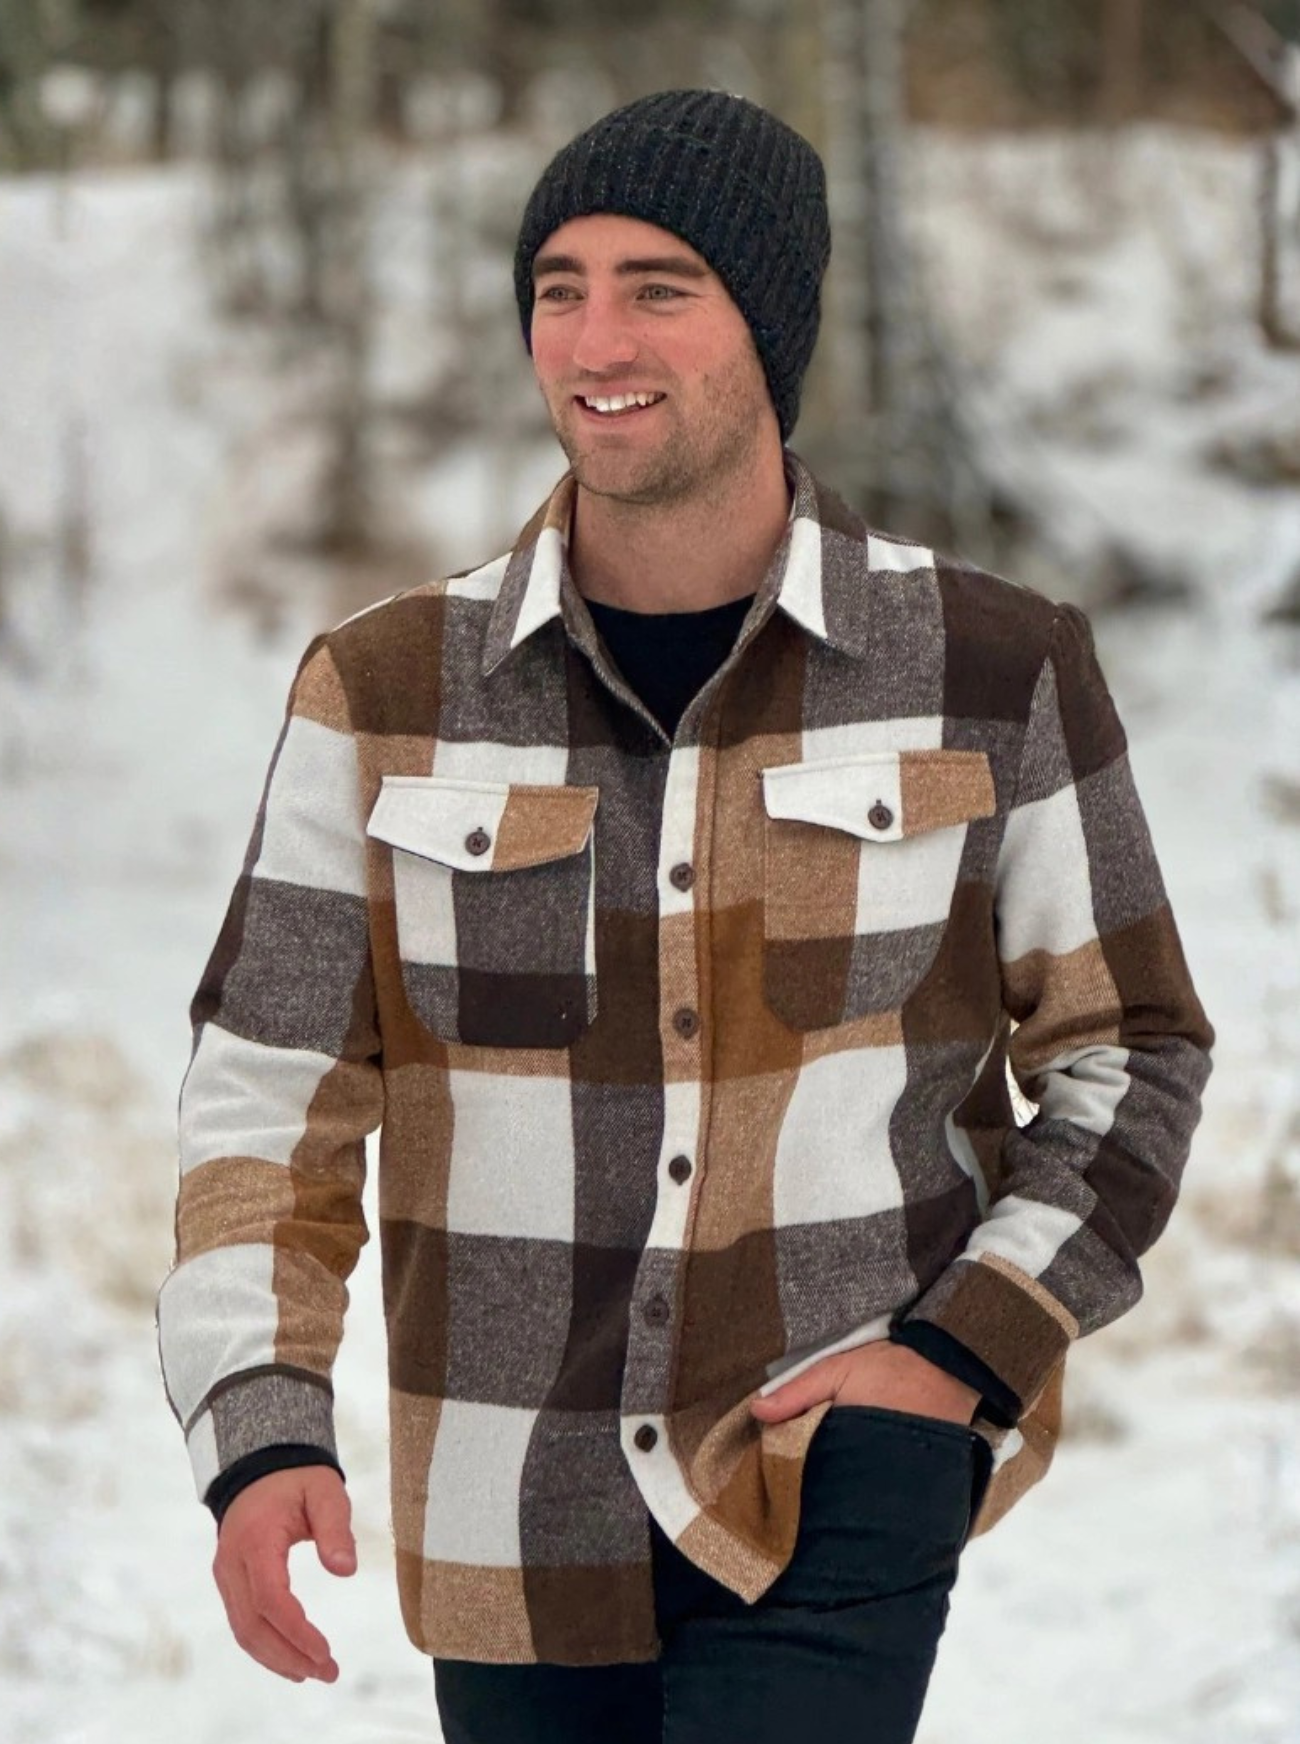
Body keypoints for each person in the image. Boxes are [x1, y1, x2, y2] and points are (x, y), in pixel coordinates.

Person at [155, 88, 1215, 1743]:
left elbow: (1130, 1054)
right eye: (557, 286)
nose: (594, 335)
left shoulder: (992, 669)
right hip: (508, 1503)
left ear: (769, 331)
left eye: (660, 285)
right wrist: (261, 1425)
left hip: (833, 1477)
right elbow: (265, 1098)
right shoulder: (379, 691)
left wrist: (964, 1357)